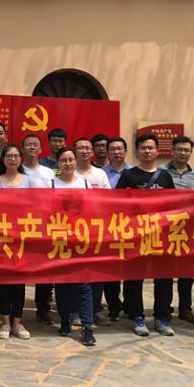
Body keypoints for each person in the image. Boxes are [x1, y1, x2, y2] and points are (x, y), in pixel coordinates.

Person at [116, 133, 176, 337]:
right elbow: (117, 204)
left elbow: (173, 205)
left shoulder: (166, 177)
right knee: (134, 278)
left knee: (164, 278)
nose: (147, 151)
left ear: (157, 151)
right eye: (143, 148)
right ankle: (137, 316)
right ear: (137, 151)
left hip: (161, 235)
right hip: (136, 235)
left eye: (151, 148)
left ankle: (161, 317)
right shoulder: (128, 176)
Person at [51, 147, 96, 347]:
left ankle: (87, 326)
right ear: (58, 164)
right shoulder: (51, 183)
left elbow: (93, 210)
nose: (67, 164)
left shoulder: (85, 183)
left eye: (71, 160)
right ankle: (64, 319)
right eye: (63, 160)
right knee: (62, 284)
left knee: (84, 285)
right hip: (59, 240)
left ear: (76, 162)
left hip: (81, 241)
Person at [0, 145, 33, 340]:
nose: (12, 159)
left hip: (21, 237)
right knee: (3, 281)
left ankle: (18, 322)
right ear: (3, 159)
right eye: (9, 156)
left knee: (19, 282)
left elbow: (33, 206)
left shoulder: (28, 181)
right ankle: (5, 321)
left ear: (21, 159)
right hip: (1, 236)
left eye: (16, 156)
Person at [159, 135, 194, 325]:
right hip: (166, 227)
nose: (183, 153)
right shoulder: (161, 172)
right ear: (172, 151)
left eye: (186, 150)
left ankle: (185, 308)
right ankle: (165, 307)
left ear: (190, 153)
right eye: (179, 149)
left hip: (188, 228)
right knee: (166, 270)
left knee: (187, 270)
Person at [73, 137, 111, 326]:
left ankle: (95, 309)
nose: (84, 151)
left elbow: (109, 200)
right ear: (74, 151)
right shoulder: (63, 171)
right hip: (71, 231)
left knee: (96, 273)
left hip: (95, 231)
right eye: (80, 148)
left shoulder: (100, 174)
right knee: (73, 273)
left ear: (92, 152)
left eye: (87, 148)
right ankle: (74, 311)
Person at [20, 133, 57, 325]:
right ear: (22, 148)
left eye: (35, 144)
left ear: (41, 149)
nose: (32, 147)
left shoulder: (49, 172)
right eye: (28, 144)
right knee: (18, 266)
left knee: (45, 268)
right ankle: (15, 309)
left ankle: (43, 308)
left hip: (45, 225)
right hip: (20, 225)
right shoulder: (17, 169)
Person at [100, 136, 131, 321]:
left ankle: (130, 305)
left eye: (120, 149)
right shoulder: (101, 173)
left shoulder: (134, 172)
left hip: (130, 227)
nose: (117, 152)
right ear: (107, 152)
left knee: (129, 268)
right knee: (110, 269)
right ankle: (113, 305)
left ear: (126, 151)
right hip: (107, 227)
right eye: (113, 149)